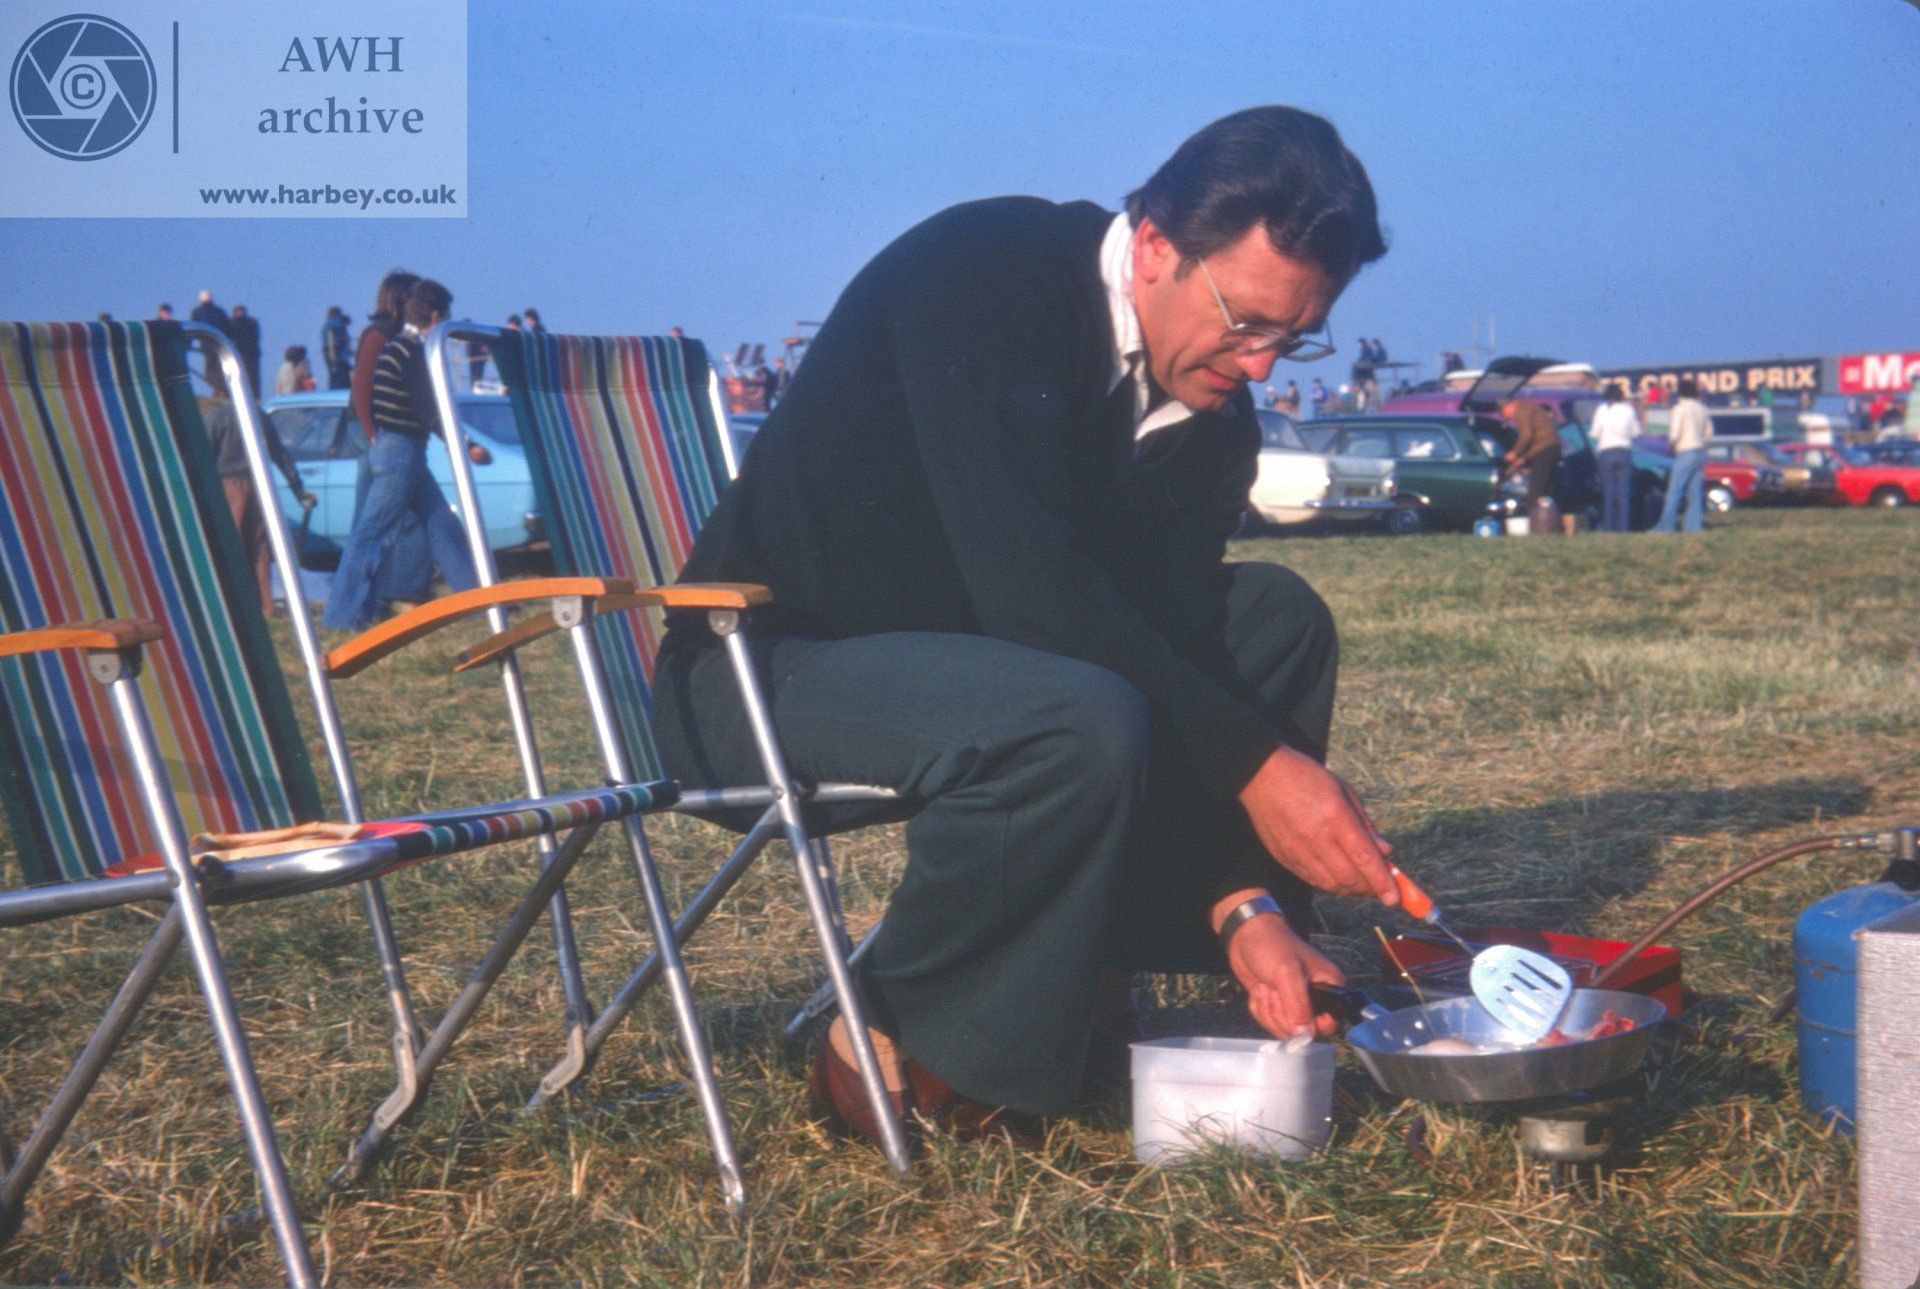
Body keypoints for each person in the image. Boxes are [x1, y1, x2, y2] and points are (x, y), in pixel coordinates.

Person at [652, 105, 1396, 1140]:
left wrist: (1247, 901)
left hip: (986, 672)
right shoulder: (985, 269)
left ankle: (1093, 979)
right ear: (1155, 245)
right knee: (1074, 711)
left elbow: (1174, 643)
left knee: (1273, 619)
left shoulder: (1214, 421)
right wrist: (1260, 767)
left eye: (1293, 336)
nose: (1263, 365)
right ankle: (893, 1031)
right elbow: (1028, 586)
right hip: (760, 671)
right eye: (1246, 320)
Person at [322, 278, 479, 630]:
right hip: (400, 453)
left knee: (441, 523)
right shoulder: (411, 351)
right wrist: (466, 443)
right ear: (435, 316)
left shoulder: (399, 346)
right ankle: (342, 616)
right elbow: (428, 408)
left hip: (403, 450)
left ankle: (480, 600)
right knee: (372, 534)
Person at [349, 271, 431, 605]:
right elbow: (362, 387)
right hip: (374, 431)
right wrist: (372, 433)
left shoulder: (398, 336)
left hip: (385, 431)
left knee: (382, 519)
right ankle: (373, 598)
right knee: (376, 520)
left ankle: (381, 595)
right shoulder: (381, 334)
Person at [203, 367, 314, 612]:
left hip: (229, 485)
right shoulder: (259, 416)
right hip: (259, 485)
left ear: (220, 390)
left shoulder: (217, 417)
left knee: (229, 546)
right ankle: (266, 604)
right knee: (260, 547)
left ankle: (232, 604)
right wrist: (297, 488)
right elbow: (280, 455)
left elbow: (204, 456)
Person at [1653, 377, 1709, 533]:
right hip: (1699, 451)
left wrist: (1670, 443)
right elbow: (1709, 432)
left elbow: (1675, 432)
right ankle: (1693, 527)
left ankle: (1665, 527)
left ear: (1680, 393)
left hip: (1685, 451)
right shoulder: (1703, 409)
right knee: (1695, 492)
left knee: (1674, 491)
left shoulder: (1679, 409)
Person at [1500, 396, 1560, 527]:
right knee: (1546, 488)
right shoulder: (1530, 408)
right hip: (1551, 449)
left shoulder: (1522, 411)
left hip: (1546, 451)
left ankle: (1533, 523)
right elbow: (1537, 441)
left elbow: (1527, 435)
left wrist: (1514, 452)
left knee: (1535, 490)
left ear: (1509, 406)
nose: (1507, 417)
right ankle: (1548, 523)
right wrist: (1524, 458)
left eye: (1504, 413)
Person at [1590, 382, 1641, 533]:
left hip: (1606, 451)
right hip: (1624, 451)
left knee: (1608, 491)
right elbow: (1636, 432)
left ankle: (1609, 527)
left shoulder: (1602, 410)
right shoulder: (1629, 410)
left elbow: (1594, 433)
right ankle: (1623, 526)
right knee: (1623, 491)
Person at [228, 304, 263, 395]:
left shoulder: (252, 322)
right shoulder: (230, 323)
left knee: (252, 375)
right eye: (238, 312)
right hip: (238, 352)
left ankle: (255, 394)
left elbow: (256, 337)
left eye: (241, 311)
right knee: (238, 373)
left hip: (251, 353)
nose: (240, 313)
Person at [322, 306, 354, 390]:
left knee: (335, 378)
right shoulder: (335, 324)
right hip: (338, 357)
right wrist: (333, 360)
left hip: (332, 355)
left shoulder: (327, 326)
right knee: (340, 381)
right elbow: (331, 342)